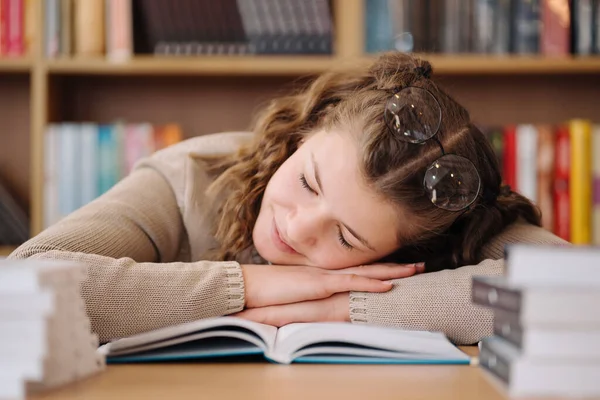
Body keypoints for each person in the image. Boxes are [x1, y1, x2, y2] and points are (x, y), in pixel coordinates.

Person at [9, 52, 567, 345]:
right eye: (308, 182)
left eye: (347, 237)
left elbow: (571, 295)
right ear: (306, 131)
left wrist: (345, 306)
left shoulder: (446, 216)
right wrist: (249, 286)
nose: (299, 229)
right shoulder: (188, 175)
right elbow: (28, 281)